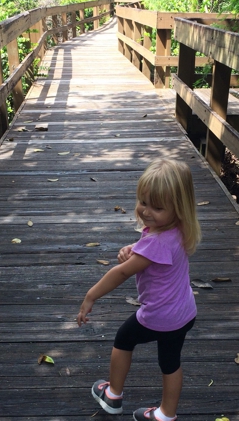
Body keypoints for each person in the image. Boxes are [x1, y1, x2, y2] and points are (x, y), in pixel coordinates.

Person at [76, 158, 201, 421]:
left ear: (178, 208)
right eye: (143, 202)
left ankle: (113, 395)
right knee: (170, 363)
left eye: (157, 207)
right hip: (184, 312)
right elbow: (150, 248)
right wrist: (133, 249)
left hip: (159, 316)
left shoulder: (157, 242)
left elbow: (121, 272)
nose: (146, 211)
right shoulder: (178, 229)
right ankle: (166, 415)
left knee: (123, 340)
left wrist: (91, 296)